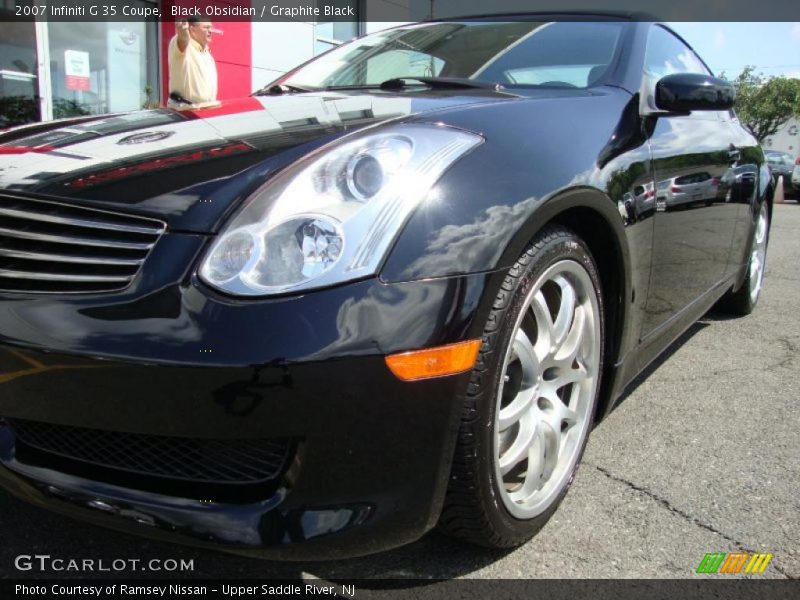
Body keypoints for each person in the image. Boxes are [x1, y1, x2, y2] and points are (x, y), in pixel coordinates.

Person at [168, 17, 218, 107]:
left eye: (211, 27)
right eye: (206, 27)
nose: (210, 31)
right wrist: (183, 31)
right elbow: (183, 40)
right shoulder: (186, 48)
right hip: (186, 112)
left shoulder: (207, 55)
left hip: (206, 112)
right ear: (192, 29)